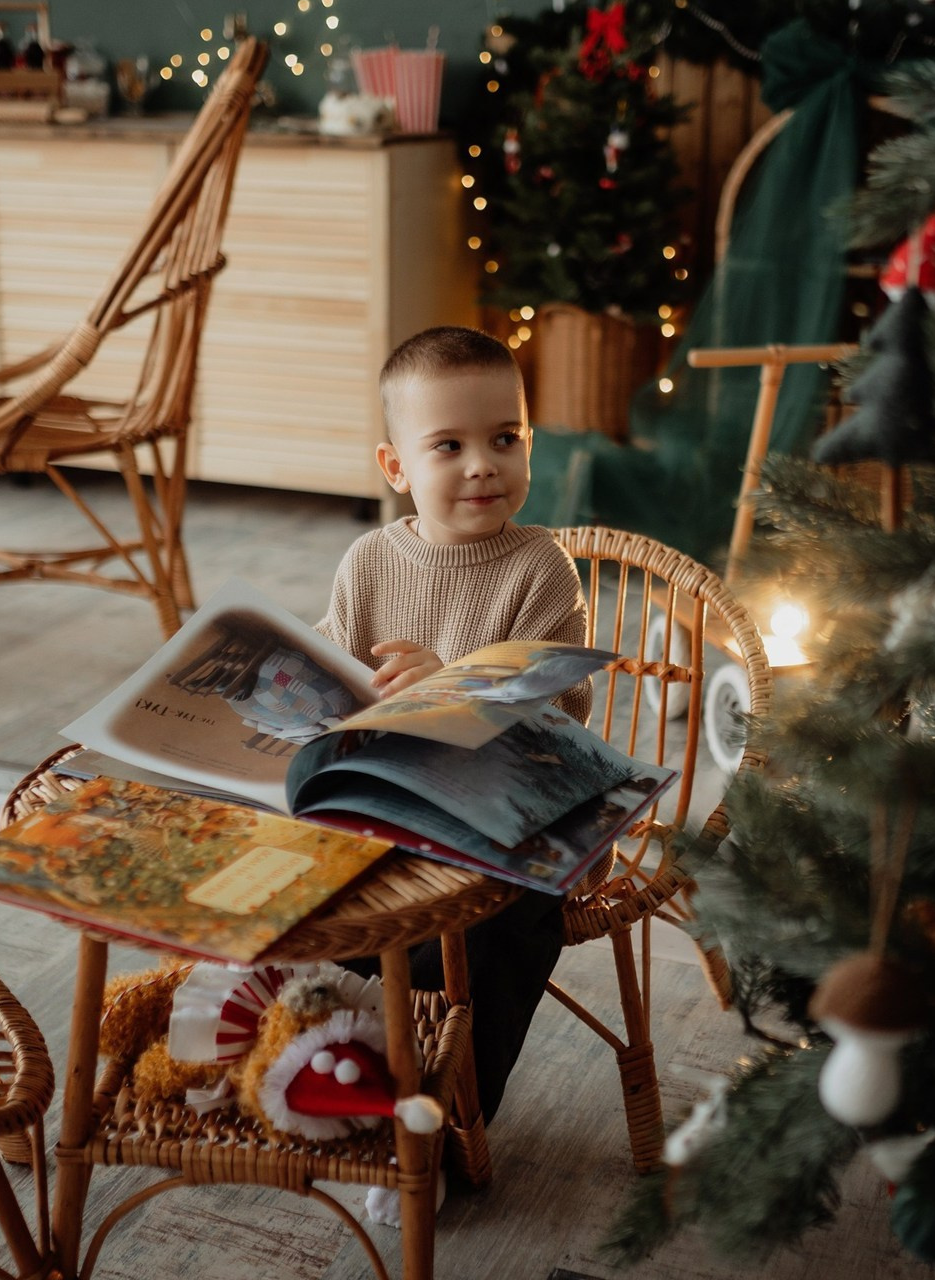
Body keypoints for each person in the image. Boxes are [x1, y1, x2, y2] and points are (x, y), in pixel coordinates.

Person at [315, 325, 591, 1221]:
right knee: (321, 904)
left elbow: (560, 719)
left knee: (476, 942)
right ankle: (344, 1085)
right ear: (397, 466)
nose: (483, 465)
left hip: (508, 817)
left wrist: (455, 685)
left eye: (504, 438)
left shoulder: (538, 567)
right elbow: (336, 673)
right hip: (390, 803)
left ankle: (429, 1128)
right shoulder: (369, 561)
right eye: (450, 446)